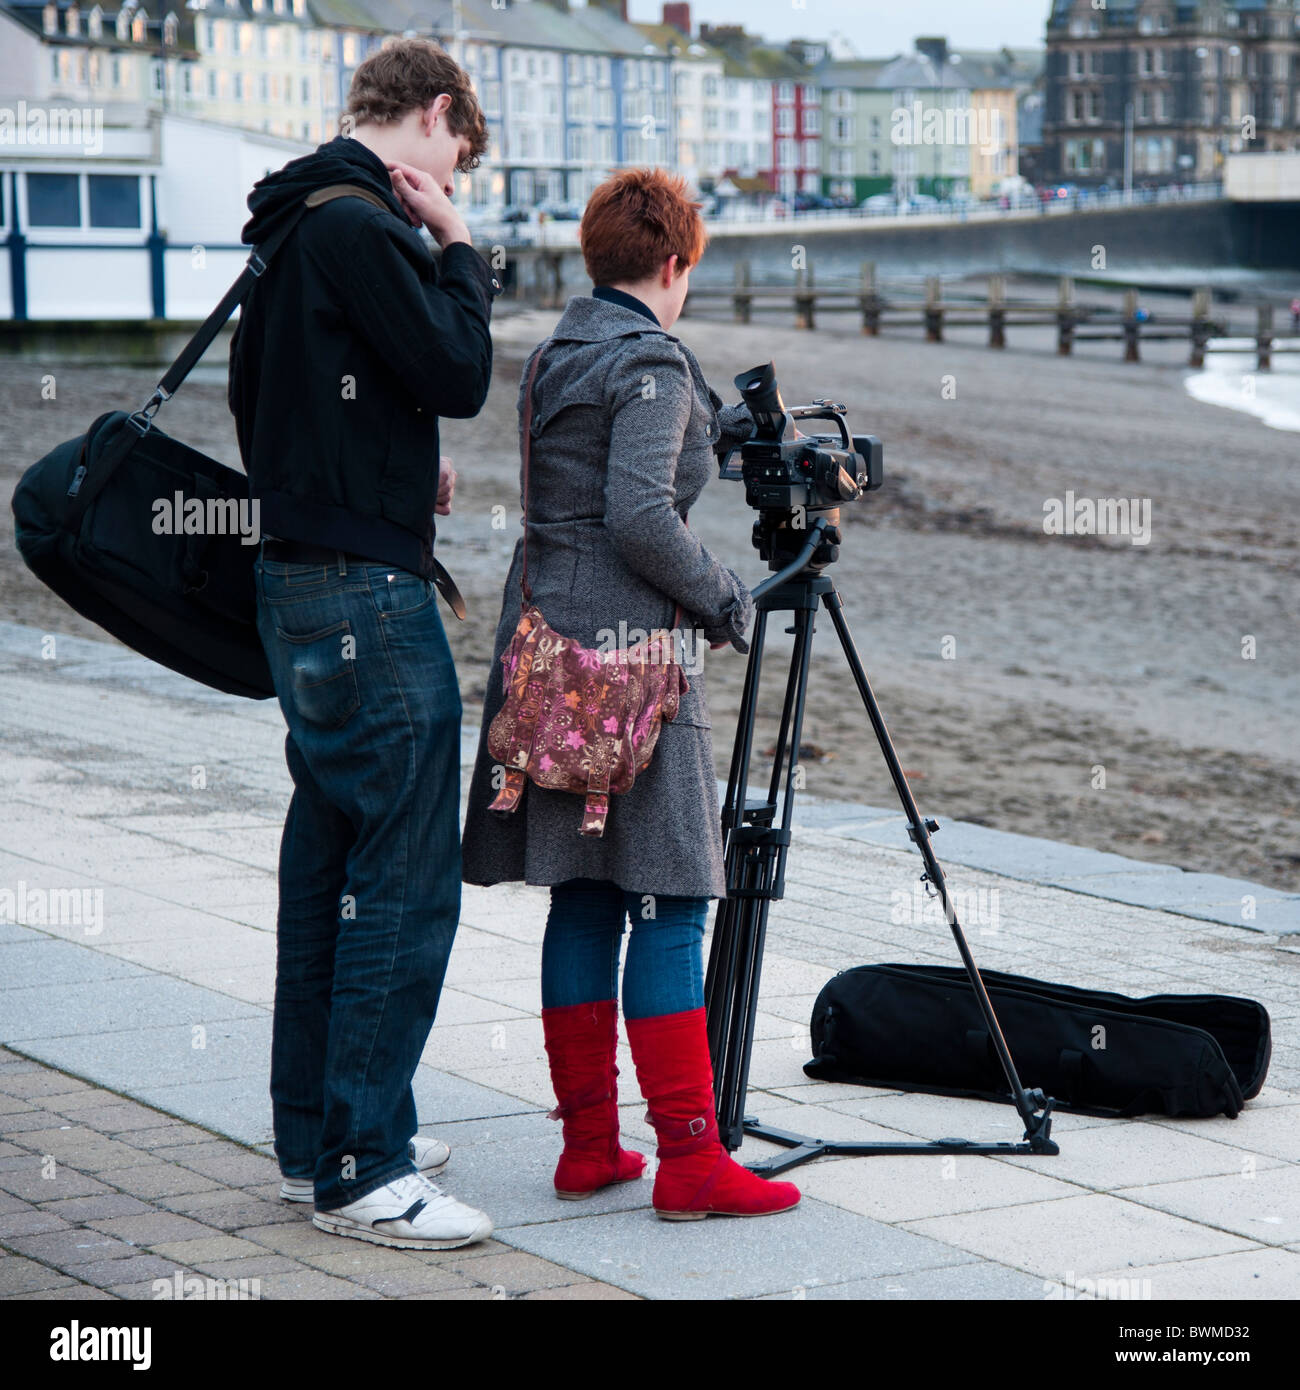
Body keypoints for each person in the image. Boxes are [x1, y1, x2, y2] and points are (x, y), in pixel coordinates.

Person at [461, 168, 800, 1221]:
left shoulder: (557, 353)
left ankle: (589, 1146)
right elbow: (642, 518)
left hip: (543, 653)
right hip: (630, 671)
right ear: (673, 264)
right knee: (671, 896)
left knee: (583, 894)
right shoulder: (651, 360)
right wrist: (727, 600)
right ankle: (692, 1161)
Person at [228, 39, 502, 1249]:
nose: (455, 170)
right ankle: (364, 1163)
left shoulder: (292, 221)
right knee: (400, 873)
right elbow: (457, 366)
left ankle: (314, 1135)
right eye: (459, 151)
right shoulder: (362, 223)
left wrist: (390, 465)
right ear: (436, 117)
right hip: (363, 598)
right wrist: (458, 245)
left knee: (328, 866)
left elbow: (272, 398)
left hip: (296, 578)